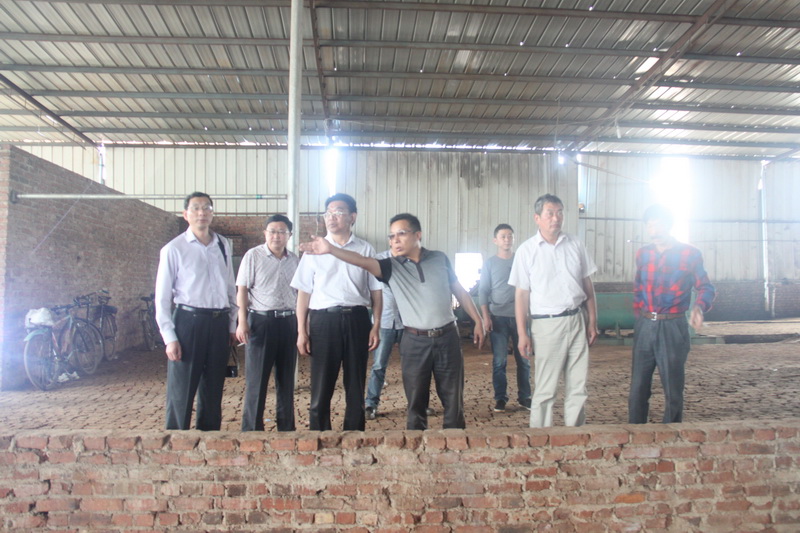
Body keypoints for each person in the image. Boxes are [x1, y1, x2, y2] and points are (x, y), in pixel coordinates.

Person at [300, 213, 485, 430]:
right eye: (391, 236)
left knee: (453, 401)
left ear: (418, 235)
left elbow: (459, 291)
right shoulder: (390, 267)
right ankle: (417, 445)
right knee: (416, 404)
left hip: (448, 337)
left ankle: (454, 443)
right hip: (415, 342)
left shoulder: (439, 258)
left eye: (401, 234)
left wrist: (478, 320)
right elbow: (361, 261)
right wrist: (331, 249)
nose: (394, 240)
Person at [290, 193, 382, 431]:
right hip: (323, 321)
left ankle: (354, 434)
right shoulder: (313, 251)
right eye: (328, 213)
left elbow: (376, 291)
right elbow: (303, 293)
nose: (332, 217)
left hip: (357, 320)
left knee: (355, 383)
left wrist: (376, 325)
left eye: (339, 212)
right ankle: (319, 434)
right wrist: (301, 331)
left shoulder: (365, 248)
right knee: (321, 384)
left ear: (353, 217)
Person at [509, 193, 598, 428]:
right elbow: (521, 296)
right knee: (546, 389)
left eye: (559, 213)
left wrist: (592, 321)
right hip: (546, 325)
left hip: (577, 319)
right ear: (537, 218)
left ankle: (575, 434)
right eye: (550, 213)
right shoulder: (527, 251)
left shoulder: (575, 244)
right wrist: (522, 334)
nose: (556, 218)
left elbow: (587, 286)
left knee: (578, 386)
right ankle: (540, 437)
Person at [155, 191, 238, 431]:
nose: (202, 213)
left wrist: (231, 324)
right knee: (182, 388)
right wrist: (169, 338)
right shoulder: (174, 249)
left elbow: (229, 286)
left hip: (219, 322)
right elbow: (162, 298)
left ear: (212, 213)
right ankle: (176, 439)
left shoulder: (223, 244)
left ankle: (209, 438)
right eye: (196, 208)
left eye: (207, 208)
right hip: (188, 322)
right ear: (186, 214)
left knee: (213, 387)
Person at [629, 204, 716, 424]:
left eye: (658, 225)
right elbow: (638, 287)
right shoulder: (643, 254)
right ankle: (635, 433)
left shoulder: (690, 254)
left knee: (673, 388)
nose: (653, 231)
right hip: (645, 325)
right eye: (650, 226)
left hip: (673, 326)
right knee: (638, 387)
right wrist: (639, 318)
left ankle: (673, 433)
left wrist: (699, 307)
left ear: (669, 225)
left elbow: (706, 287)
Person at [236, 214, 300, 432]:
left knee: (286, 381)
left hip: (288, 322)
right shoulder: (253, 256)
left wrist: (302, 326)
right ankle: (252, 430)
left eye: (282, 232)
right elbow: (242, 289)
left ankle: (286, 429)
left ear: (289, 235)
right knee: (257, 380)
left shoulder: (295, 260)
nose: (276, 236)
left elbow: (300, 294)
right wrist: (242, 321)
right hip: (260, 322)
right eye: (272, 231)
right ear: (265, 233)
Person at [479, 223, 531, 413]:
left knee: (523, 359)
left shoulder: (521, 261)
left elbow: (530, 288)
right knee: (500, 361)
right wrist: (486, 317)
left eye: (510, 236)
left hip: (520, 318)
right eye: (503, 236)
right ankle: (500, 398)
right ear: (496, 240)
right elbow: (483, 291)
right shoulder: (490, 264)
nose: (507, 239)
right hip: (498, 318)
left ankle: (525, 397)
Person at [365, 249, 404, 421]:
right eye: (393, 236)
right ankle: (371, 404)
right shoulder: (378, 261)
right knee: (379, 365)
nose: (397, 239)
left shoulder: (411, 260)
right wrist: (375, 325)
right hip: (384, 322)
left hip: (409, 321)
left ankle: (420, 403)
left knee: (414, 366)